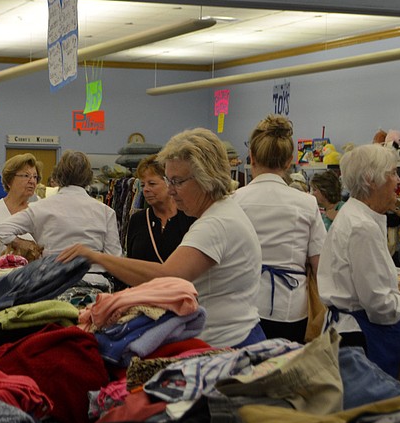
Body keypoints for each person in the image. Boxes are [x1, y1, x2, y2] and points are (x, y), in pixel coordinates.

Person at [57, 129, 264, 349]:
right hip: (234, 336)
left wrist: (94, 256)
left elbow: (167, 277)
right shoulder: (224, 211)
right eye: (168, 180)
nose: (171, 190)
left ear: (206, 178)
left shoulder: (215, 224)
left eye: (177, 181)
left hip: (226, 344)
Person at [318, 144, 400, 378]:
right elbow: (379, 305)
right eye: (392, 173)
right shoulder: (362, 226)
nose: (398, 182)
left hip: (349, 329)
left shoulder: (356, 216)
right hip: (364, 336)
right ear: (370, 180)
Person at [233, 115, 326, 344]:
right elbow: (320, 264)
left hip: (243, 303)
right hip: (291, 308)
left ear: (251, 158)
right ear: (288, 162)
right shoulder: (307, 203)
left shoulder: (234, 200)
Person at [0, 150, 122, 270]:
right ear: (89, 177)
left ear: (57, 175)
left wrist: (22, 243)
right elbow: (115, 260)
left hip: (52, 281)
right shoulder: (106, 212)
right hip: (96, 281)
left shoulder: (39, 208)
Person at [125, 154, 196, 263]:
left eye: (152, 184)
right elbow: (130, 263)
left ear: (169, 183)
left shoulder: (190, 217)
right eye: (143, 185)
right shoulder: (138, 220)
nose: (146, 190)